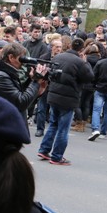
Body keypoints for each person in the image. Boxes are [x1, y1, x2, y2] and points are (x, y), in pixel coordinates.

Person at [38, 38, 93, 166]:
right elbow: (89, 77)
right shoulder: (80, 62)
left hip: (54, 95)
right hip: (68, 98)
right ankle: (57, 156)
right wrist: (85, 62)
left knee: (53, 124)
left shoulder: (58, 57)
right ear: (81, 50)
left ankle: (44, 150)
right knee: (63, 128)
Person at [0, 42, 47, 115]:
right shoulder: (1, 77)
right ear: (11, 57)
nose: (23, 63)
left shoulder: (8, 73)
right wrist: (35, 82)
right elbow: (21, 103)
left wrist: (36, 90)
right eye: (21, 59)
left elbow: (22, 98)